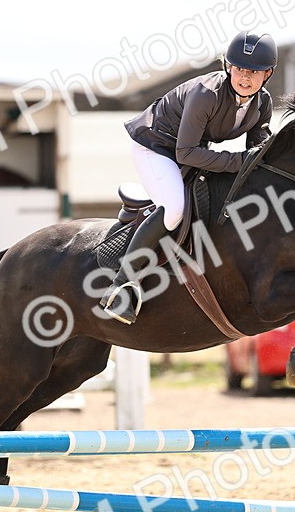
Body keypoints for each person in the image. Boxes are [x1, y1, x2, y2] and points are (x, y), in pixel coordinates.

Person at [100, 30, 277, 324]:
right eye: (240, 68)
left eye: (255, 71)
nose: (245, 77)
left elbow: (257, 153)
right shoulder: (206, 94)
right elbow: (186, 153)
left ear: (268, 74)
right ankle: (121, 287)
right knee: (174, 209)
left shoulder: (263, 103)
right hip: (155, 146)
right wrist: (237, 162)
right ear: (228, 67)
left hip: (190, 149)